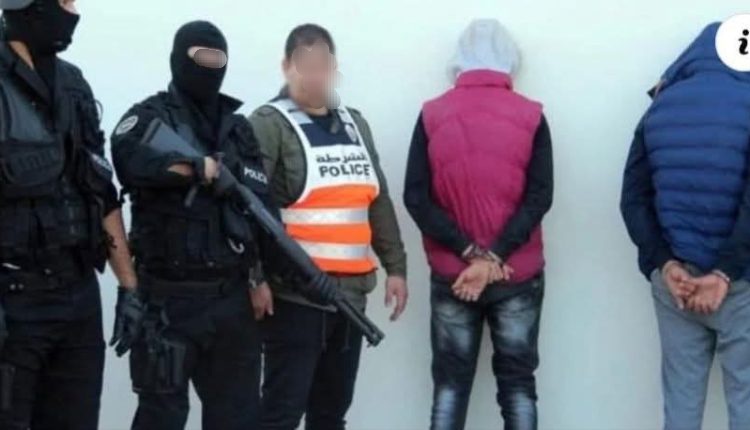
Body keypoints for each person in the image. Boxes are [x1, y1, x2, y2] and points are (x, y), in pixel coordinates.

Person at [110, 21, 279, 430]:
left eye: (218, 60)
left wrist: (258, 276)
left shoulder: (238, 129)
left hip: (230, 298)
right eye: (201, 58)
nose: (210, 67)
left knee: (238, 418)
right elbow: (129, 160)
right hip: (167, 300)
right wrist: (196, 169)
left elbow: (258, 207)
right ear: (177, 60)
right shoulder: (147, 117)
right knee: (162, 417)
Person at [249, 23, 408, 430]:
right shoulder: (269, 123)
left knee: (331, 415)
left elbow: (377, 199)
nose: (315, 75)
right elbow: (248, 207)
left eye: (322, 65)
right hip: (295, 297)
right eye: (305, 66)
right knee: (281, 414)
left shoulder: (355, 124)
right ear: (286, 67)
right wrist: (255, 278)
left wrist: (396, 268)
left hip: (350, 298)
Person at [404, 19, 553, 430]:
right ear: (510, 60)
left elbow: (416, 197)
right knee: (518, 387)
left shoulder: (432, 114)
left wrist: (470, 254)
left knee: (450, 388)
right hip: (517, 272)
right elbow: (540, 196)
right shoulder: (531, 115)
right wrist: (495, 256)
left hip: (454, 274)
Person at [0, 0, 138, 428]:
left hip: (77, 297)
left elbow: (100, 189)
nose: (73, 11)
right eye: (63, 1)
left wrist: (129, 286)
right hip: (13, 300)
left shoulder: (73, 85)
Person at [621, 23, 750, 430]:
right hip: (742, 284)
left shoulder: (659, 108)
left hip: (677, 282)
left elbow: (633, 199)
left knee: (681, 403)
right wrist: (724, 273)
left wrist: (665, 264)